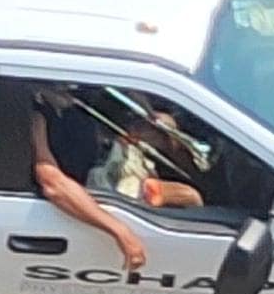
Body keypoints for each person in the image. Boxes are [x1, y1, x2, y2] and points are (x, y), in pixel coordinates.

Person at [30, 87, 210, 274]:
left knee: (169, 130)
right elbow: (52, 182)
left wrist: (149, 115)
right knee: (191, 198)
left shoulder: (77, 96)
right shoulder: (36, 113)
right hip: (96, 184)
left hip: (113, 156)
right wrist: (120, 231)